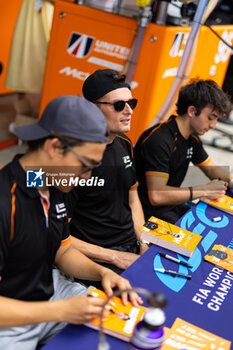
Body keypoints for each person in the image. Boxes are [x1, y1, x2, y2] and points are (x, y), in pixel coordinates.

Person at [0, 95, 142, 349]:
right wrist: (60, 312)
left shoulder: (51, 183)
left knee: (123, 314)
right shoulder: (4, 203)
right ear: (54, 147)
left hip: (50, 290)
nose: (87, 177)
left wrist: (103, 272)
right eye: (85, 165)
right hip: (10, 318)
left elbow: (62, 249)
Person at [68, 69, 148, 280]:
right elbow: (55, 235)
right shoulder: (71, 159)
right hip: (97, 259)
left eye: (132, 103)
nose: (129, 111)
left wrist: (143, 243)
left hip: (132, 247)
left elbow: (132, 200)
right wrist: (114, 257)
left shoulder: (124, 143)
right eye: (119, 105)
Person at [134, 79, 233, 224]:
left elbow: (212, 170)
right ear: (192, 111)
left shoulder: (191, 137)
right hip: (146, 213)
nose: (213, 125)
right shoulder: (160, 140)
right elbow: (156, 196)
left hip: (171, 207)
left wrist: (230, 181)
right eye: (210, 118)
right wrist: (205, 190)